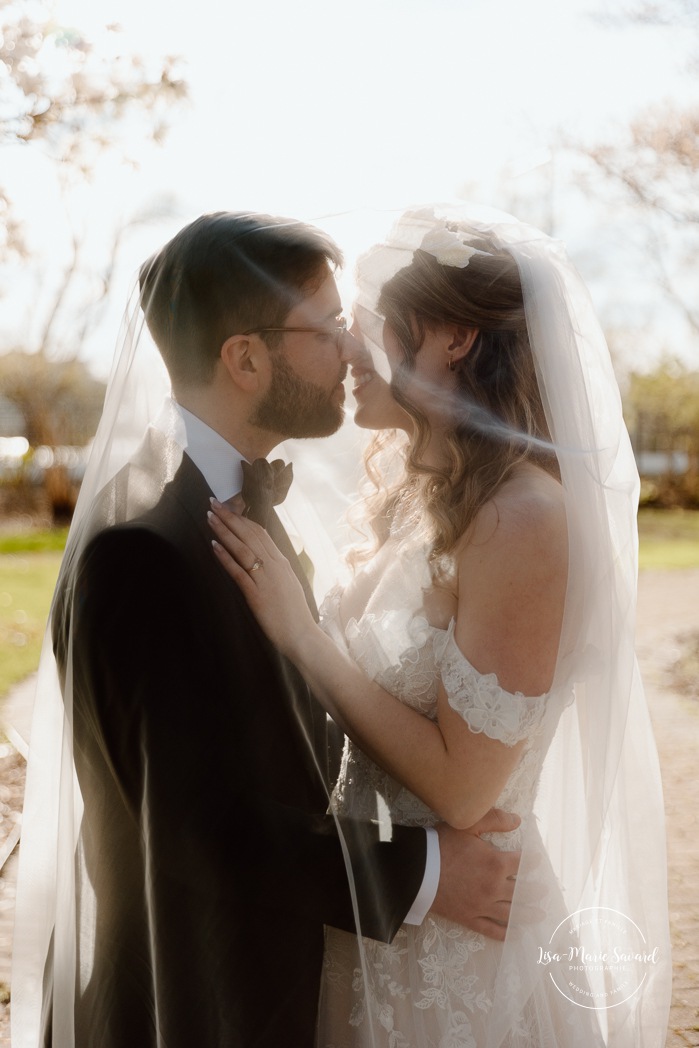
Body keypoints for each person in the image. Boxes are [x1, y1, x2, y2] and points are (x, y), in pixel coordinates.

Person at [11, 211, 522, 1048]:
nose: (353, 353)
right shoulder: (141, 545)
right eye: (324, 331)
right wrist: (425, 874)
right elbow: (191, 823)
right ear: (244, 358)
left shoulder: (230, 501)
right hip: (193, 1003)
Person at [208, 205, 673, 1047]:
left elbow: (466, 789)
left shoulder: (522, 519)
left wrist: (302, 636)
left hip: (458, 952)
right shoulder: (412, 490)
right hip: (371, 911)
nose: (349, 349)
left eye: (370, 324)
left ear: (454, 337)